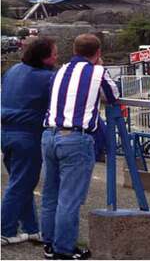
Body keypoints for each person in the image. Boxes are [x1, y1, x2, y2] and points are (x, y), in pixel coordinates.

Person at [41, 33, 119, 259]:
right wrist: (99, 67)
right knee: (70, 198)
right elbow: (114, 96)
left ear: (74, 51)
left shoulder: (59, 71)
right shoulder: (97, 71)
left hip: (49, 135)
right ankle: (64, 249)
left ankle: (49, 242)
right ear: (98, 53)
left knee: (50, 194)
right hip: (75, 138)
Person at [1, 37, 58, 246]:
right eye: (53, 53)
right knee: (20, 184)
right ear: (44, 57)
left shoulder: (13, 70)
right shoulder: (47, 78)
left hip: (6, 132)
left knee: (21, 182)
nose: (56, 56)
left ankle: (31, 228)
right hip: (28, 135)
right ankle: (5, 230)